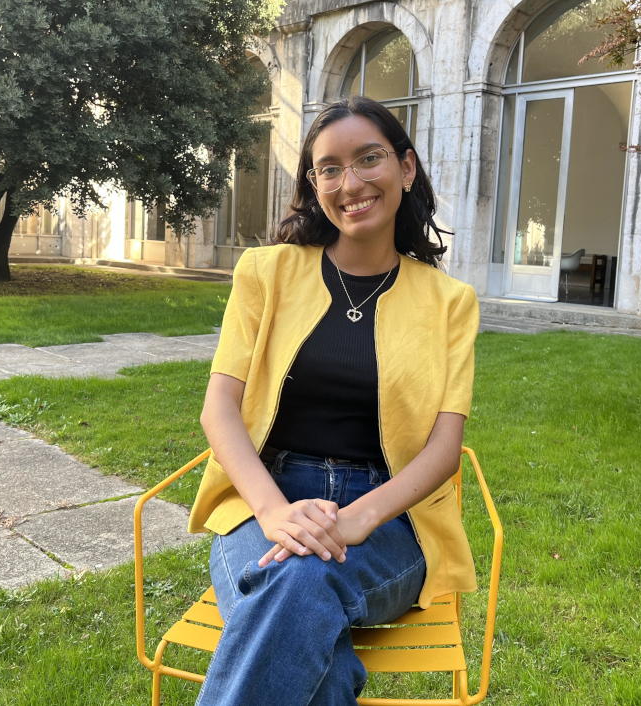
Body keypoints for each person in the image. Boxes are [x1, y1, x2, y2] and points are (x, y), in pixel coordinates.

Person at [188, 95, 480, 706]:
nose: (350, 183)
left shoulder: (450, 303)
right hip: (262, 497)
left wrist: (358, 519)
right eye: (329, 168)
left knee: (294, 580)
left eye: (369, 158)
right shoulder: (265, 273)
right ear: (313, 184)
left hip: (390, 516)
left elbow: (444, 449)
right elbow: (219, 408)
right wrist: (273, 512)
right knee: (304, 602)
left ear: (406, 167)